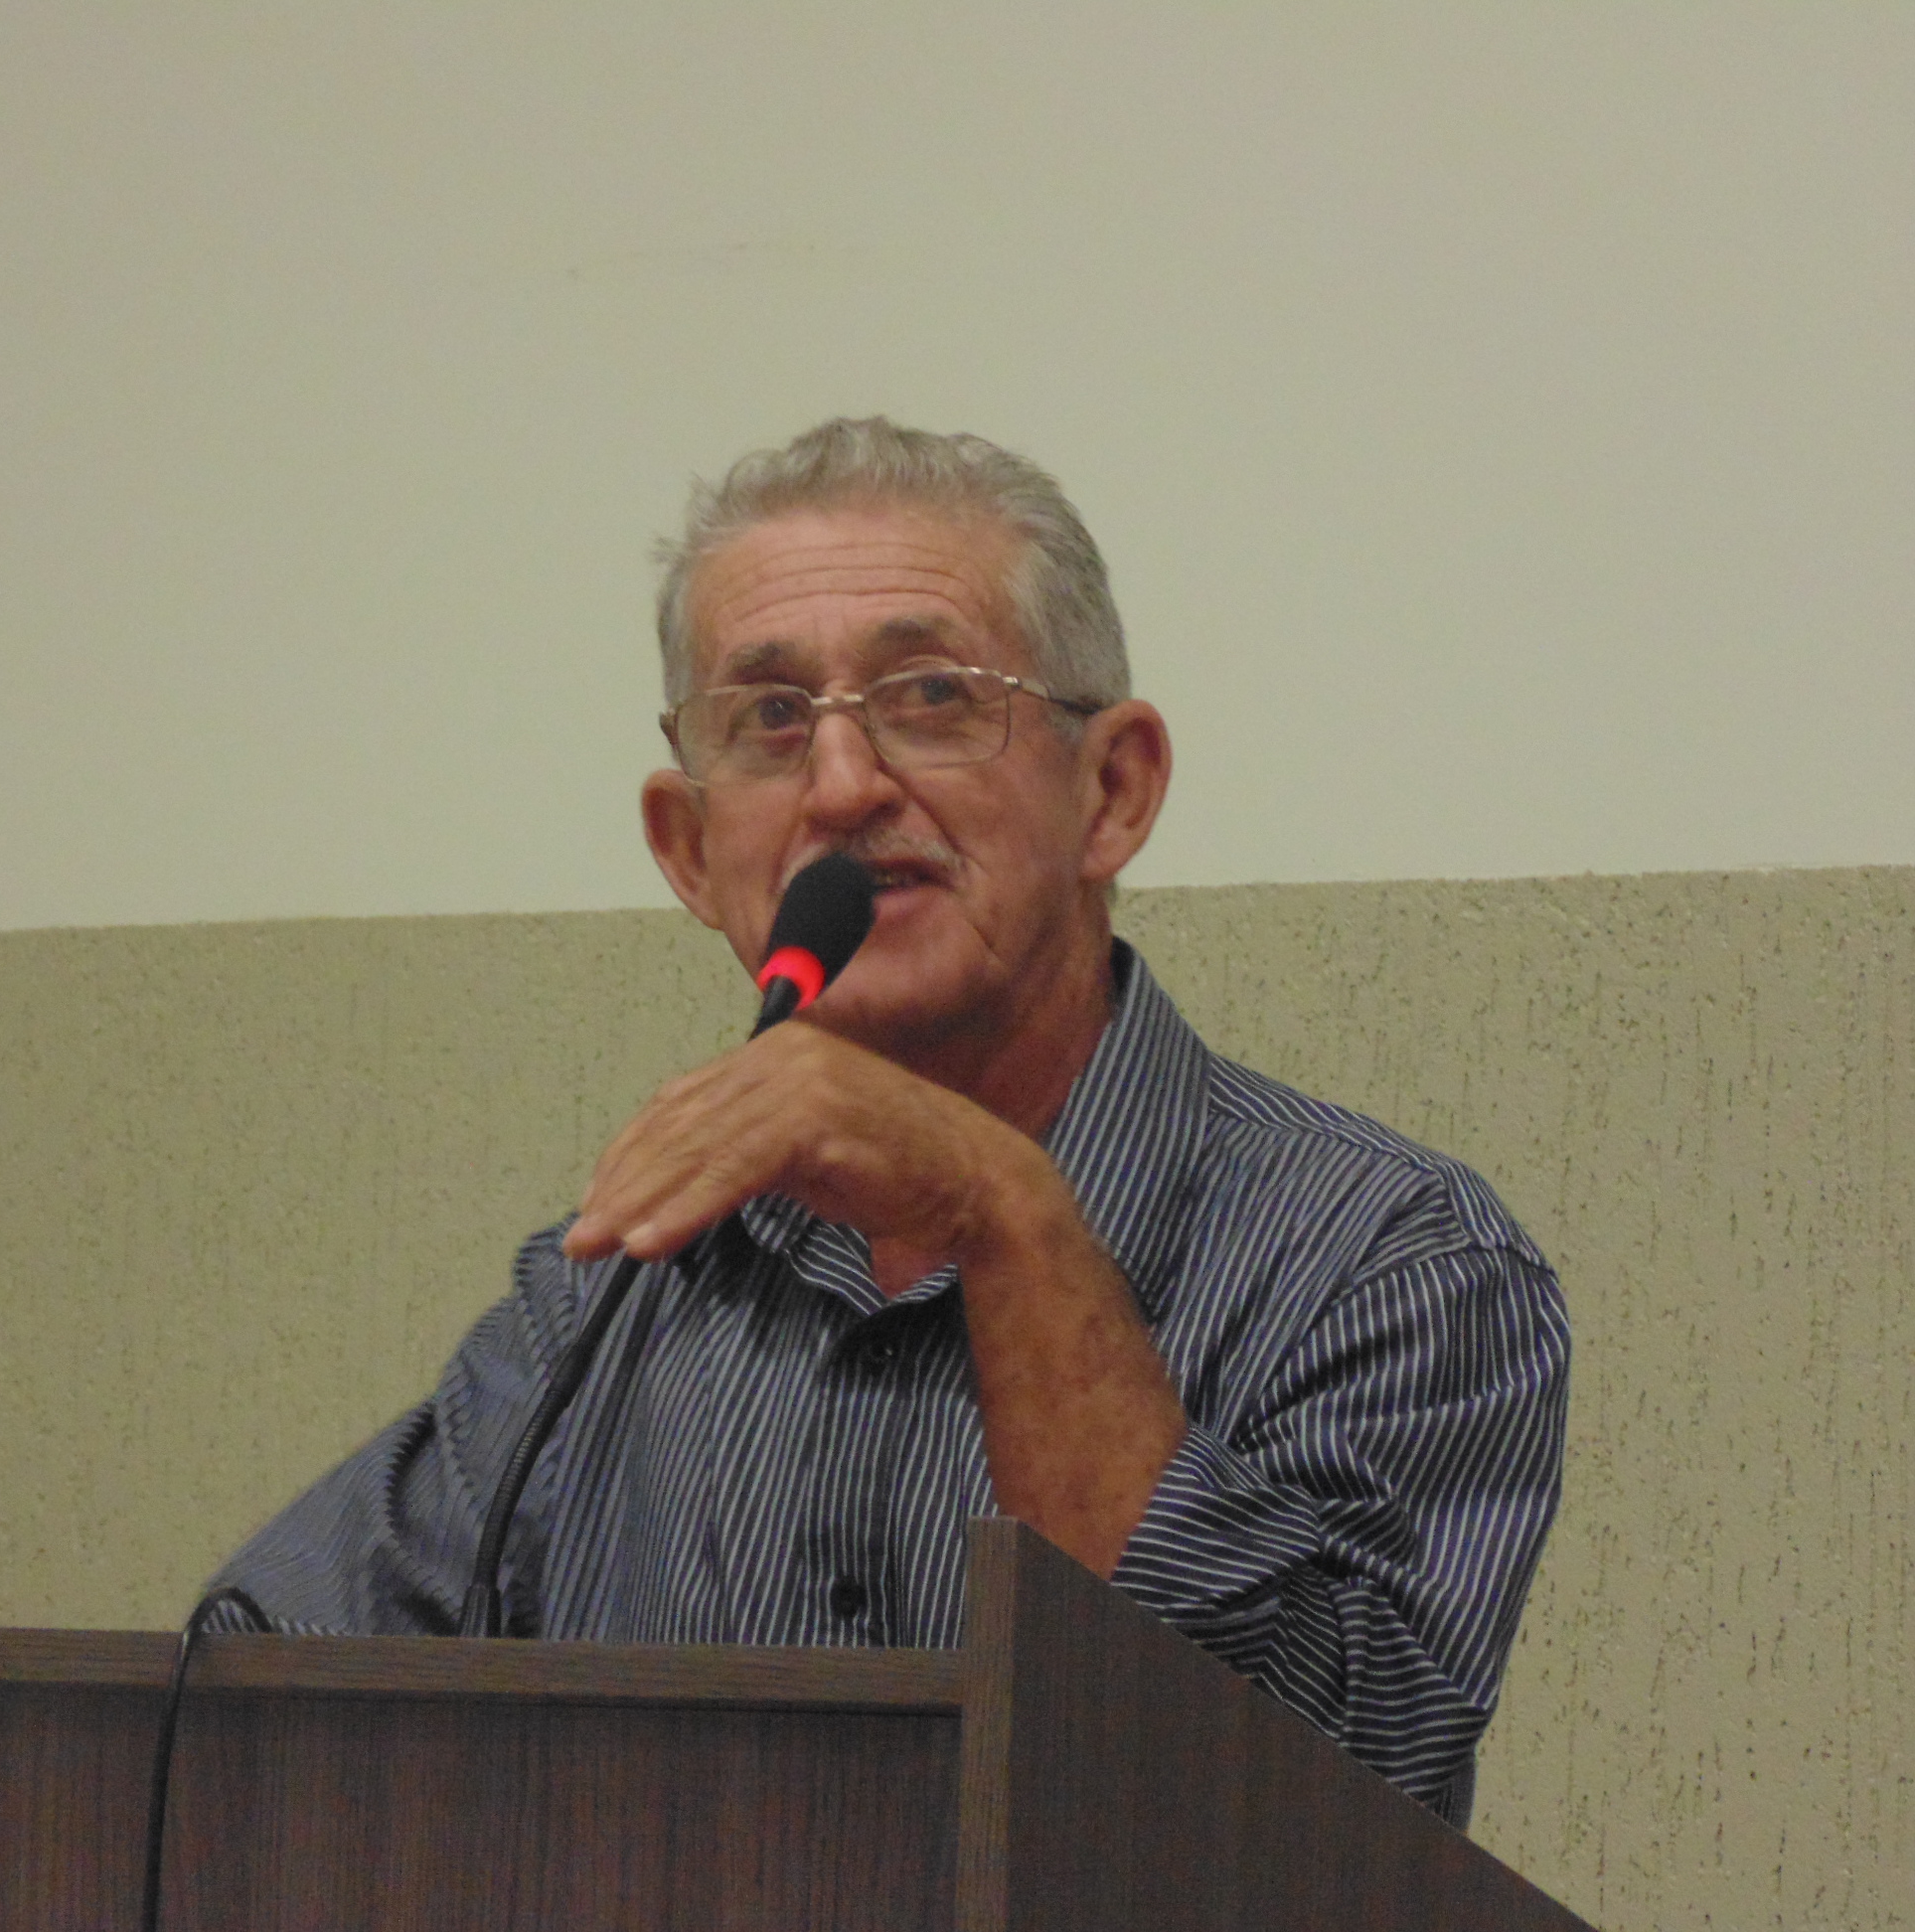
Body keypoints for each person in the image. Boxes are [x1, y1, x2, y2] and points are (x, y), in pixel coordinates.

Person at [208, 417, 1567, 1826]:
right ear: (690, 850)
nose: (845, 786)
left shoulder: (1391, 1262)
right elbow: (244, 1708)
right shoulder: (607, 1294)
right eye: (771, 719)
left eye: (931, 696)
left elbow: (1317, 1812)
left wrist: (1005, 1214)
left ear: (1113, 791)